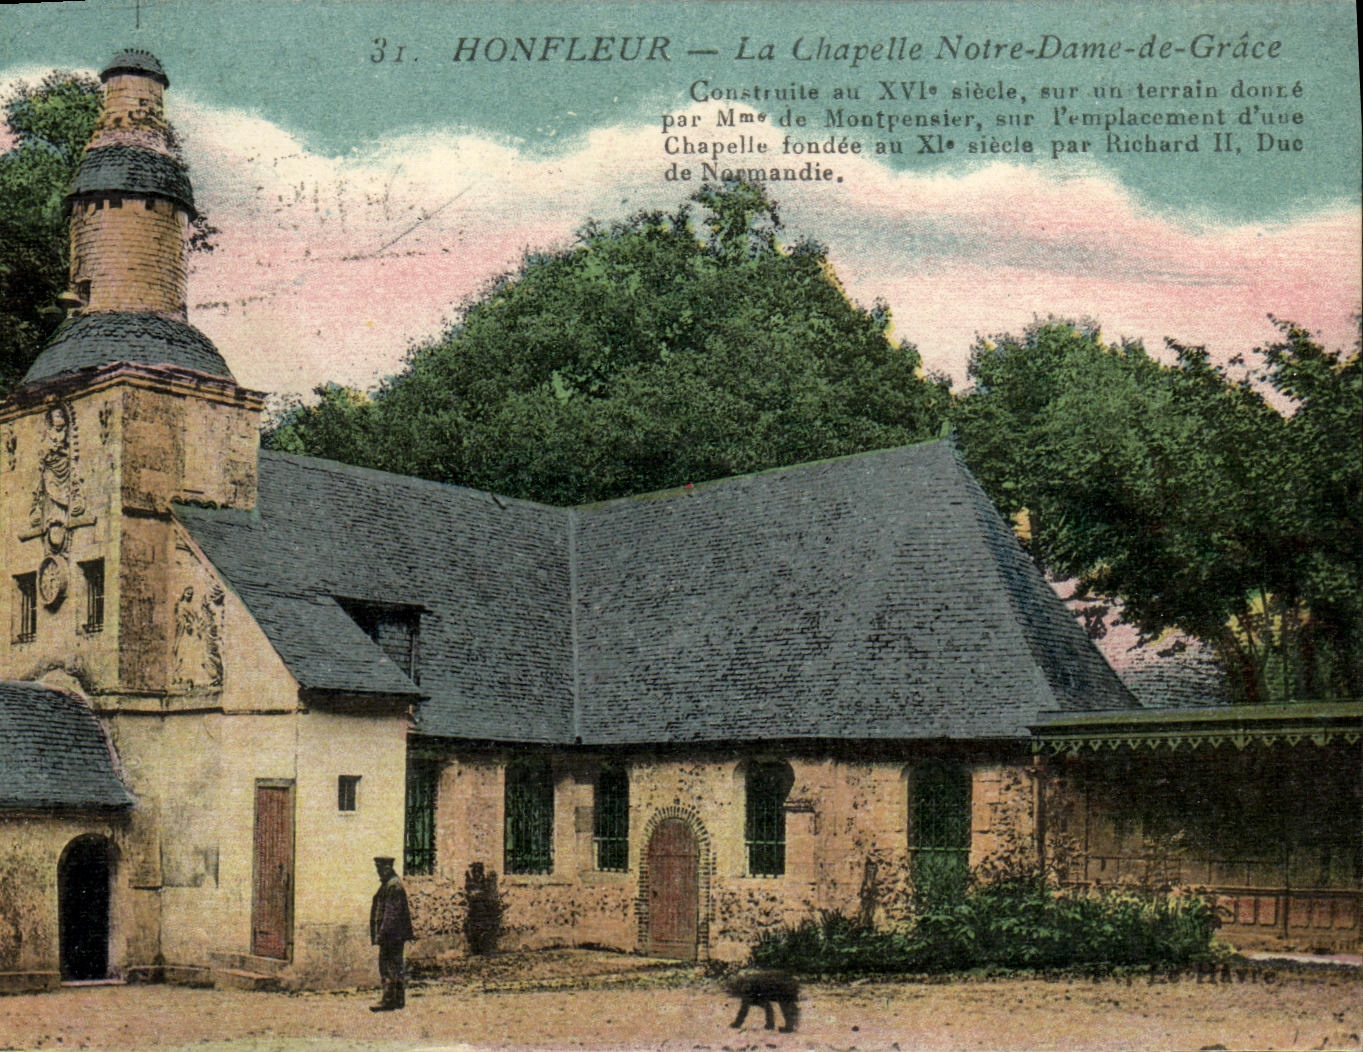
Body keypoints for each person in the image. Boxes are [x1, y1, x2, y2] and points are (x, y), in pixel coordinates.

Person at [369, 856, 414, 1011]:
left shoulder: (393, 885)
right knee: (396, 966)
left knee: (388, 967)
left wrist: (382, 933)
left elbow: (391, 914)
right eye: (377, 869)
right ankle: (398, 999)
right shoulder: (390, 884)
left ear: (387, 868)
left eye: (380, 869)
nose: (378, 872)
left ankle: (388, 1000)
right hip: (395, 934)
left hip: (391, 935)